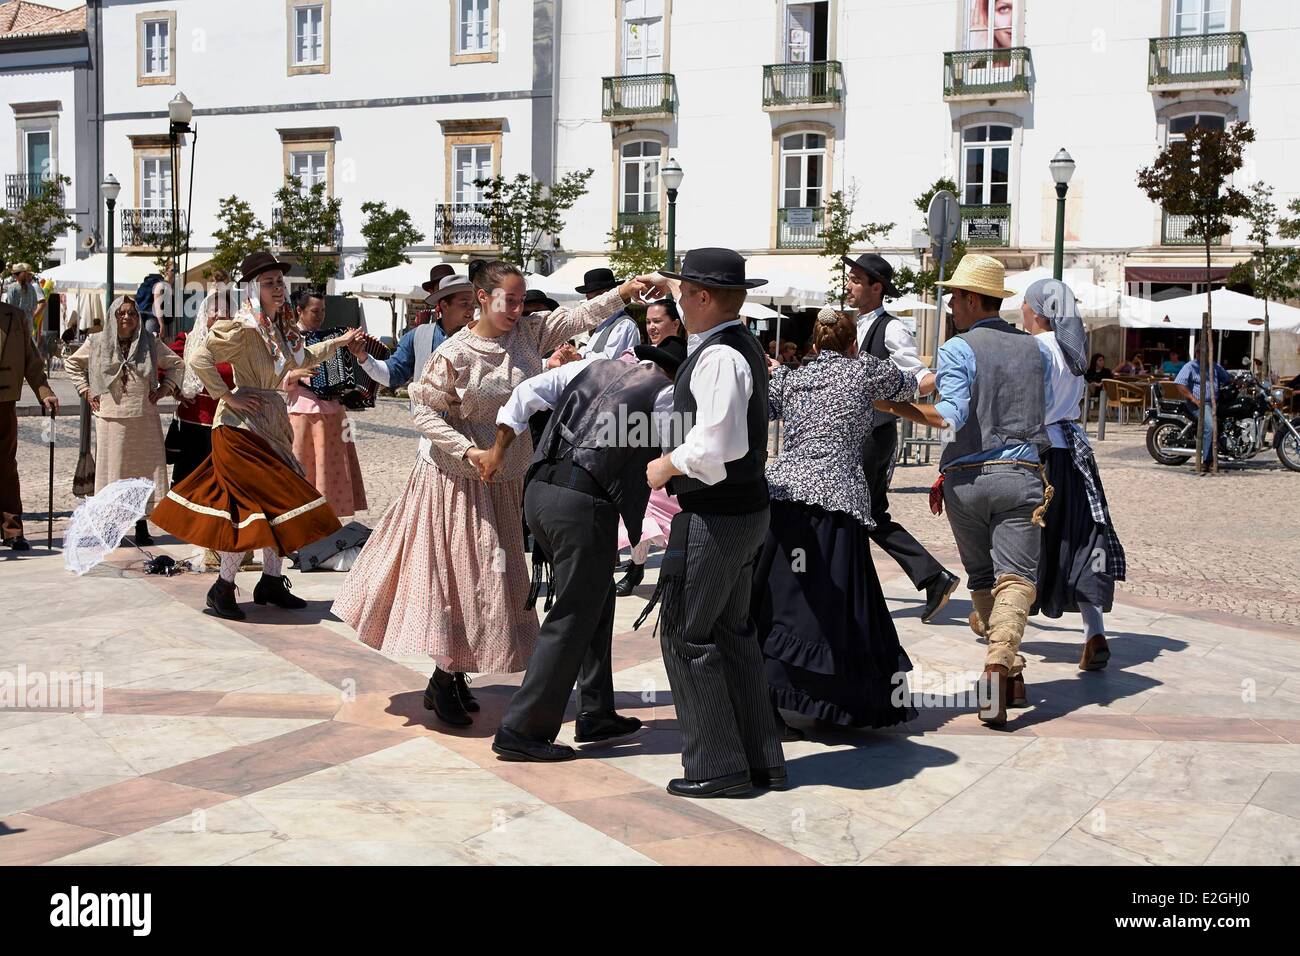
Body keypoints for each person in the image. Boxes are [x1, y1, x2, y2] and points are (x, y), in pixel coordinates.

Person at [332, 260, 659, 728]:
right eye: (509, 299)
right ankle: (445, 678)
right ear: (482, 298)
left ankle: (451, 673)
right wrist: (469, 452)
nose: (518, 308)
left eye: (522, 299)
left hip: (508, 482)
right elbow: (422, 413)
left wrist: (627, 290)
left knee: (496, 583)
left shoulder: (529, 332)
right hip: (455, 482)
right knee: (470, 578)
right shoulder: (454, 353)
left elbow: (583, 316)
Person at [480, 334, 683, 761]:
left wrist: (499, 451)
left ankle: (596, 710)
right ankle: (523, 730)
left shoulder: (589, 368)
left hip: (539, 493)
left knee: (595, 597)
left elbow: (524, 393)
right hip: (583, 507)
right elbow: (672, 460)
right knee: (572, 614)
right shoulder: (667, 395)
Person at [879, 255, 1054, 727]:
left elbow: (949, 414)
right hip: (1021, 474)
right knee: (1016, 578)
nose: (951, 304)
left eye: (955, 296)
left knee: (981, 578)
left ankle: (1005, 666)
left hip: (967, 480)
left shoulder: (959, 348)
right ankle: (1002, 665)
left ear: (974, 299)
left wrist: (898, 408)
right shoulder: (1034, 349)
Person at [642, 247, 787, 799]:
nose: (677, 300)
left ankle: (717, 765)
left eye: (683, 292)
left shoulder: (721, 356)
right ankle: (758, 759)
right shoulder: (736, 346)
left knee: (686, 633)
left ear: (703, 297)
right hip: (741, 511)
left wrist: (665, 465)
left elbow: (718, 443)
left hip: (719, 515)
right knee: (731, 632)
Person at [150, 251, 362, 620]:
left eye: (280, 282)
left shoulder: (274, 328)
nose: (278, 288)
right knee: (250, 510)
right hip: (238, 428)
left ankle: (270, 582)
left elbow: (300, 360)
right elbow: (198, 356)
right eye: (269, 283)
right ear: (252, 288)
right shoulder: (245, 327)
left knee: (276, 507)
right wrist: (227, 393)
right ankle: (223, 587)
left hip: (270, 424)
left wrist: (341, 342)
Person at [754, 307, 919, 740]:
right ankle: (834, 703)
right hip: (837, 502)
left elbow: (759, 410)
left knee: (781, 601)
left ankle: (769, 702)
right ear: (853, 344)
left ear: (812, 345)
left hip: (784, 497)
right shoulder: (865, 371)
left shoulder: (791, 378)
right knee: (834, 605)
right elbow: (915, 383)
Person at [843, 253, 957, 623]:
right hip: (856, 434)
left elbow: (921, 379)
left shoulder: (891, 329)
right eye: (851, 278)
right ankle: (930, 577)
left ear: (877, 288)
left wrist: (948, 376)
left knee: (858, 513)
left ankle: (860, 595)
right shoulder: (854, 325)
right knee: (865, 514)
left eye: (857, 280)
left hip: (874, 436)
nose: (850, 284)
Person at [1021, 278, 1126, 672]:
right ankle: (1093, 631)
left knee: (1023, 539)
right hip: (1074, 453)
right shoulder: (1074, 353)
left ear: (1035, 310)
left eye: (1025, 306)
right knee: (1080, 538)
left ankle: (999, 622)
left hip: (1037, 454)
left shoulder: (1033, 349)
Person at [65, 296, 185, 546]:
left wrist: (165, 389)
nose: (127, 317)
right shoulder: (97, 342)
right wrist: (86, 390)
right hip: (111, 419)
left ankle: (141, 525)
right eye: (121, 313)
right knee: (114, 475)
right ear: (112, 315)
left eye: (131, 313)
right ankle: (112, 526)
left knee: (142, 475)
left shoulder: (149, 342)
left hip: (144, 417)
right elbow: (72, 363)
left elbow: (176, 364)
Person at [613, 297, 686, 596]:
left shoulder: (694, 355)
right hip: (642, 441)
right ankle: (636, 566)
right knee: (641, 509)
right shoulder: (638, 357)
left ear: (676, 323)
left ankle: (673, 572)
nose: (652, 326)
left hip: (680, 438)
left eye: (658, 321)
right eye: (649, 322)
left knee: (676, 516)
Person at [287, 289, 368, 518]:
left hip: (334, 411)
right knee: (305, 468)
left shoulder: (330, 337)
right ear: (299, 311)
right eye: (315, 311)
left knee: (332, 470)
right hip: (304, 411)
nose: (320, 316)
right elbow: (272, 376)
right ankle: (303, 517)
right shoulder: (289, 339)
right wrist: (294, 375)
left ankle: (328, 518)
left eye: (323, 311)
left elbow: (345, 371)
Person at [351, 265, 474, 401]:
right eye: (464, 304)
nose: (471, 310)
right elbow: (392, 374)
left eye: (472, 304)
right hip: (426, 420)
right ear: (444, 304)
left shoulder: (481, 337)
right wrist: (363, 357)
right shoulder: (418, 336)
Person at [1, 287, 58, 550]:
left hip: (4, 404)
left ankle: (12, 529)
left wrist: (44, 392)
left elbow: (31, 361)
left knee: (7, 469)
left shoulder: (15, 317)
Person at [1174, 348, 1232, 467]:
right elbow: (1179, 383)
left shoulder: (1214, 366)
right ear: (1197, 353)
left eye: (1209, 352)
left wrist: (1238, 381)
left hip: (1215, 403)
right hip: (1199, 404)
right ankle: (1207, 460)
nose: (1207, 355)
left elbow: (1227, 378)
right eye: (1204, 353)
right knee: (1210, 427)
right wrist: (1194, 399)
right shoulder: (1190, 366)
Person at [577, 268, 641, 359]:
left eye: (597, 297)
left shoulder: (624, 324)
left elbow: (610, 363)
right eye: (589, 299)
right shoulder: (600, 323)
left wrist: (581, 353)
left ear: (610, 295)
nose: (591, 303)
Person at [4, 263, 44, 337]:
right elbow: (34, 306)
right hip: (28, 322)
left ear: (15, 275)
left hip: (16, 322)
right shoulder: (31, 287)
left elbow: (10, 306)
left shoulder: (12, 288)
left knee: (17, 346)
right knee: (27, 346)